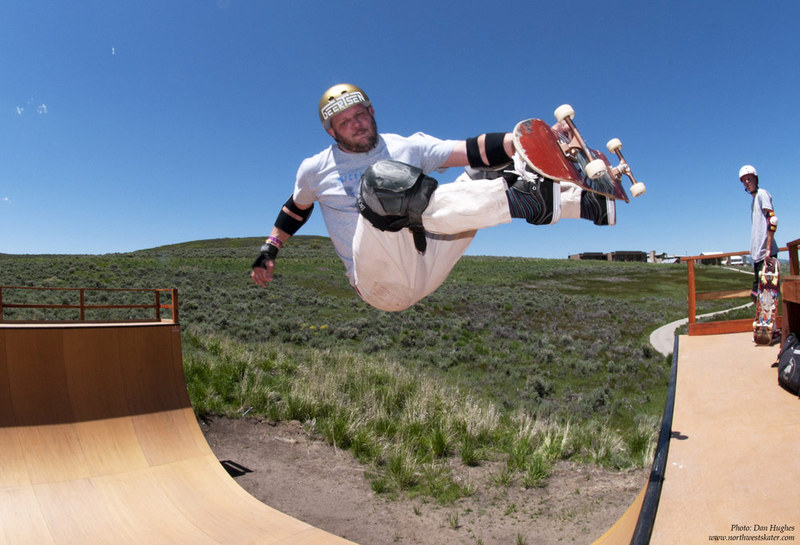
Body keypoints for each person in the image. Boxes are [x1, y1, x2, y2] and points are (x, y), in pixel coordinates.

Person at [251, 83, 614, 312]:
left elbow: (473, 151)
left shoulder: (409, 145)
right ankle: (527, 200)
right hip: (381, 283)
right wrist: (270, 248)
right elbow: (296, 207)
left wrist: (533, 142)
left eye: (360, 115)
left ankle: (585, 202)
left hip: (430, 257)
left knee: (480, 174)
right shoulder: (315, 168)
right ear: (331, 132)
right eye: (345, 122)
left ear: (372, 111)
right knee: (380, 183)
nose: (357, 125)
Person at [739, 164, 779, 300]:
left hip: (766, 256)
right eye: (744, 180)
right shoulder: (754, 200)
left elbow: (772, 220)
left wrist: (768, 250)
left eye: (749, 179)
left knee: (766, 299)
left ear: (756, 179)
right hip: (758, 255)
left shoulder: (762, 194)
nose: (747, 182)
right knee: (757, 297)